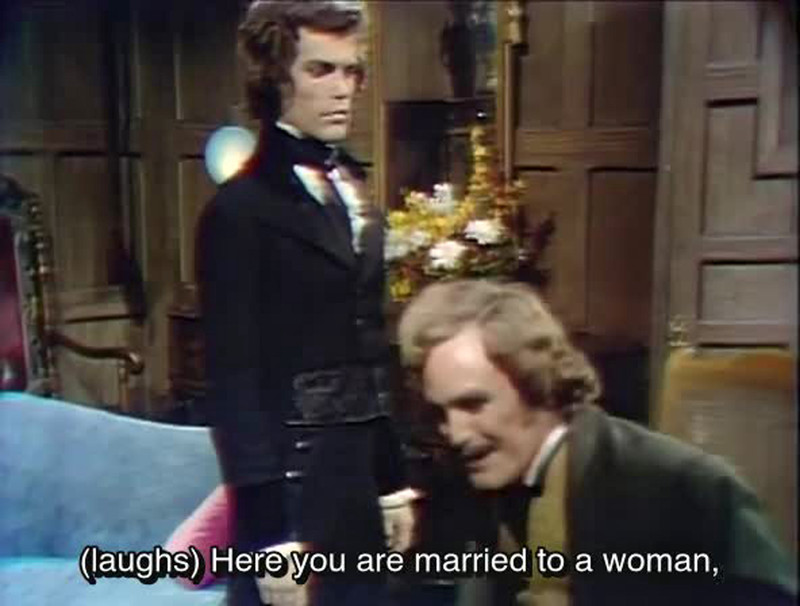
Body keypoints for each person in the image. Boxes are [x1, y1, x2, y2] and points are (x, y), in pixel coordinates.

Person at [195, 2, 415, 605]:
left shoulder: (355, 191)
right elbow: (234, 386)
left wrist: (391, 481)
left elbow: (371, 352)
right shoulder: (238, 212)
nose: (343, 89)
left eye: (352, 71)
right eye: (321, 70)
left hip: (356, 482)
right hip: (290, 490)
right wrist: (269, 534)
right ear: (274, 79)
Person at [397, 279, 797, 605]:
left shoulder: (683, 486)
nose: (456, 434)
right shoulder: (471, 491)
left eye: (473, 404)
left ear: (539, 384)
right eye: (441, 414)